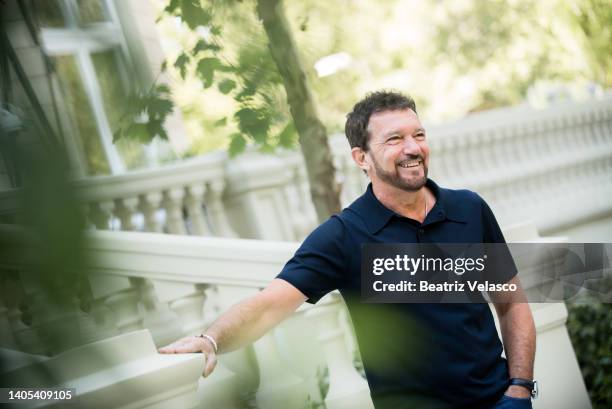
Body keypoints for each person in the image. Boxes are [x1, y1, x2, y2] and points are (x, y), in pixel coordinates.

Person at [159, 91, 536, 409]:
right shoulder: (344, 236)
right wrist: (210, 339)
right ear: (361, 158)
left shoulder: (469, 209)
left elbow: (511, 302)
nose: (412, 148)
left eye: (417, 134)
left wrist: (519, 389)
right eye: (394, 139)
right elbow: (269, 305)